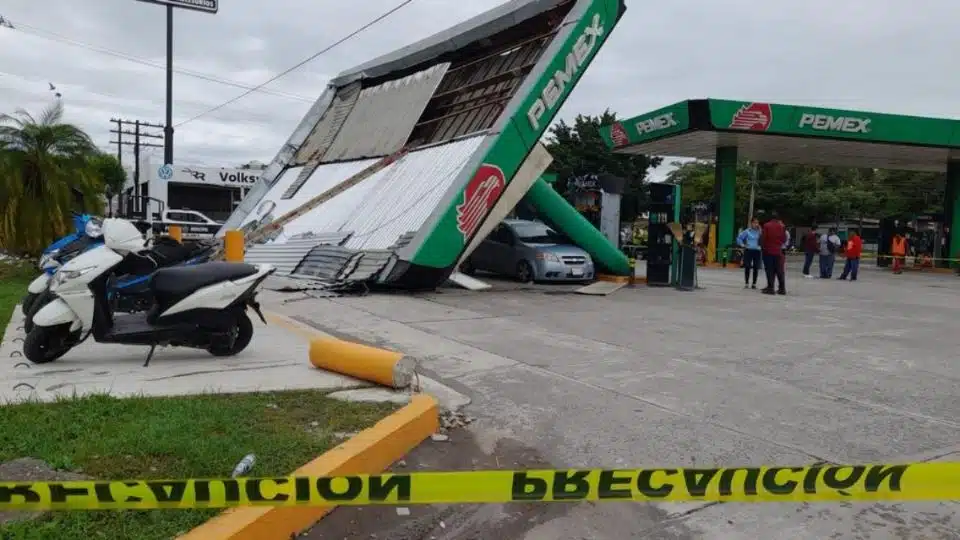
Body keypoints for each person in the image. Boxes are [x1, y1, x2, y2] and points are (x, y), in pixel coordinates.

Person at [760, 211, 787, 295]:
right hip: (778, 251)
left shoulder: (766, 225)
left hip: (768, 251)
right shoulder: (782, 226)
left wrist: (762, 247)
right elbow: (784, 239)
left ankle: (770, 288)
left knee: (769, 270)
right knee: (779, 270)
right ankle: (782, 289)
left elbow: (763, 238)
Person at [737, 218, 762, 289]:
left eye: (757, 223)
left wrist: (761, 232)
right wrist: (743, 245)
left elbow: (764, 239)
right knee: (747, 266)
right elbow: (739, 238)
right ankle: (747, 283)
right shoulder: (747, 231)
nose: (756, 224)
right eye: (754, 223)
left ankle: (754, 284)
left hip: (757, 251)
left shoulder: (760, 232)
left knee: (756, 267)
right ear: (751, 223)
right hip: (748, 250)